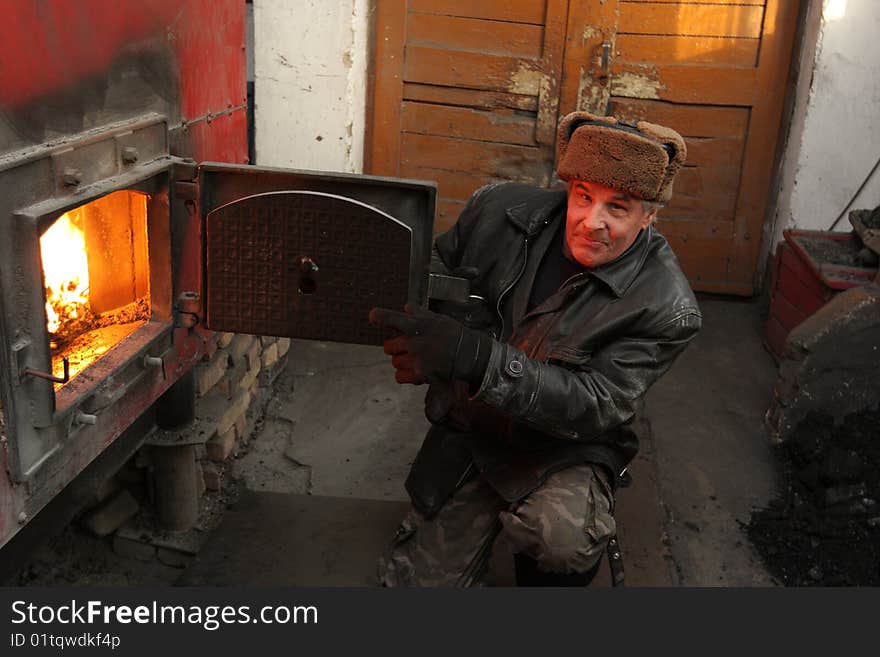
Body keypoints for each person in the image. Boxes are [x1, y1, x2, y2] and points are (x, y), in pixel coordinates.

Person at [368, 111, 702, 587]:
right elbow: (438, 264)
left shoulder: (667, 307)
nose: (592, 222)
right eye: (583, 197)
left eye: (618, 208)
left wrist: (473, 355)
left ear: (650, 216)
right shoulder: (498, 212)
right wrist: (442, 322)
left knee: (558, 541)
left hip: (562, 446)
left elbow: (593, 403)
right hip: (474, 427)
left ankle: (546, 570)